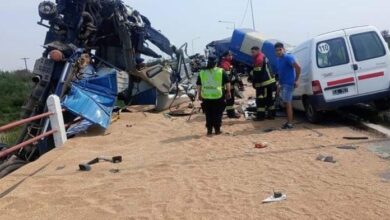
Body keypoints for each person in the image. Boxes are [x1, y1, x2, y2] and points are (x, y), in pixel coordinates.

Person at [197, 56, 231, 135]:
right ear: (216, 63)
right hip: (218, 95)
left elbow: (198, 85)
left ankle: (209, 130)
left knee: (208, 114)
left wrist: (199, 94)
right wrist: (228, 92)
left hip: (206, 96)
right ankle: (217, 130)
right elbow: (227, 82)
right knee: (218, 113)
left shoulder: (202, 72)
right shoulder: (221, 71)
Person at [275, 42, 301, 129]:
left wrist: (296, 80)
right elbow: (281, 72)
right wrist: (279, 84)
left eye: (280, 50)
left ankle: (290, 124)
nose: (278, 52)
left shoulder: (288, 57)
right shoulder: (278, 59)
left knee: (288, 103)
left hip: (289, 84)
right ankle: (288, 122)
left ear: (283, 49)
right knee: (286, 103)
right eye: (277, 50)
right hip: (283, 84)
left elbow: (298, 67)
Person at [251, 46, 277, 121]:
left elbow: (257, 74)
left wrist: (254, 81)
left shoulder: (259, 59)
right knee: (269, 99)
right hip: (269, 82)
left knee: (260, 100)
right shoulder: (262, 56)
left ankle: (261, 117)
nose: (252, 54)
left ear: (258, 51)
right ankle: (271, 115)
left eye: (253, 52)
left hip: (264, 84)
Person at [219, 51, 241, 119]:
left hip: (228, 85)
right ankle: (231, 114)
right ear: (225, 56)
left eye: (231, 55)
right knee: (230, 100)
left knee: (229, 100)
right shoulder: (225, 64)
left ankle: (230, 113)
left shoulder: (226, 63)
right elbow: (228, 77)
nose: (231, 56)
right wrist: (234, 79)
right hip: (227, 86)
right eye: (229, 55)